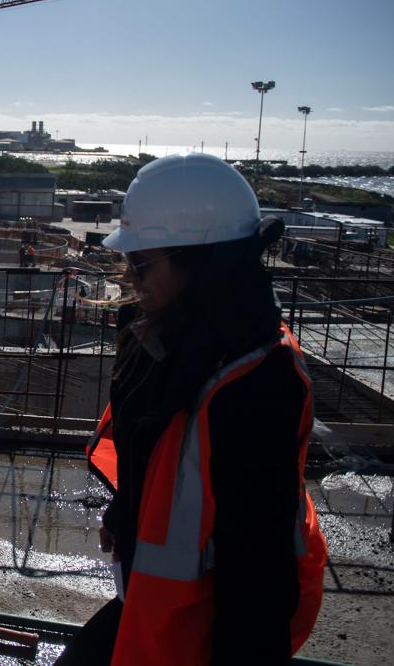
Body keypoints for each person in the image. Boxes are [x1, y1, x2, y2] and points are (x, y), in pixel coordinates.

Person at [56, 154, 327, 665]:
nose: (131, 279)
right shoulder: (170, 335)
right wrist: (126, 508)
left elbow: (259, 575)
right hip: (150, 606)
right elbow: (160, 449)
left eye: (141, 262)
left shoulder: (257, 382)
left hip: (198, 634)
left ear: (201, 263)